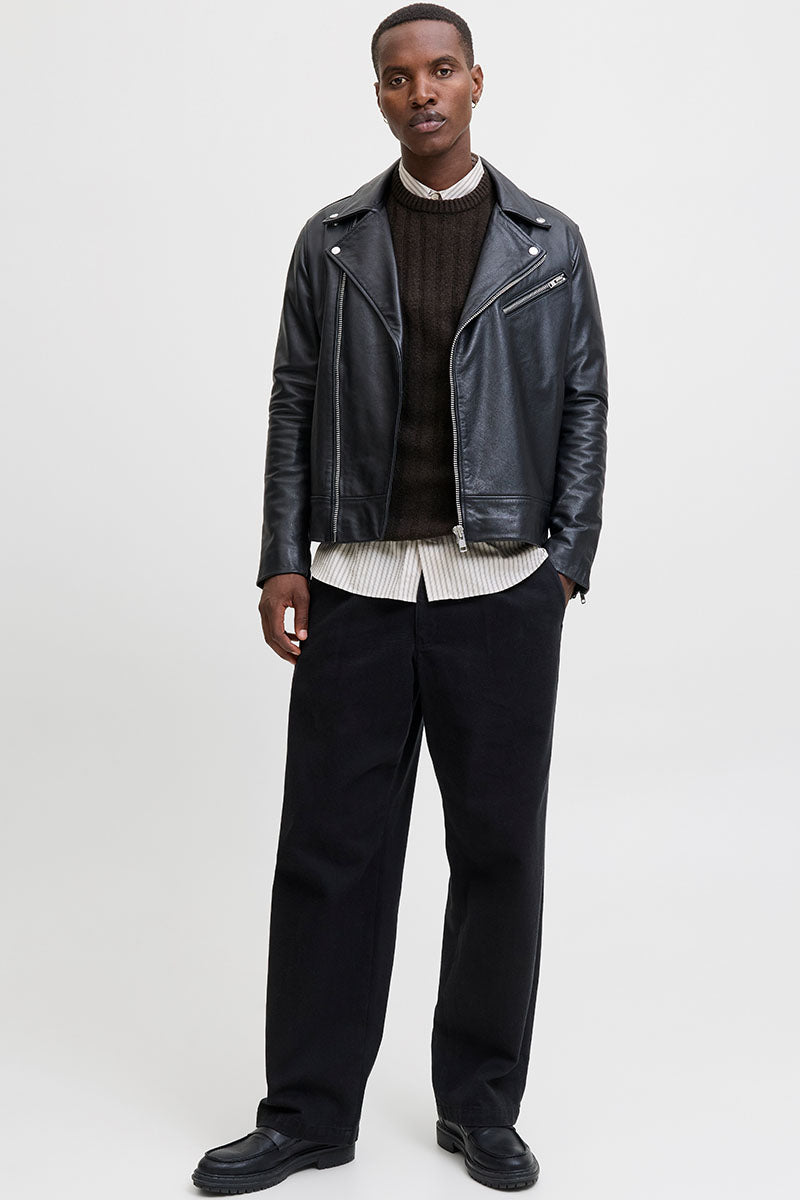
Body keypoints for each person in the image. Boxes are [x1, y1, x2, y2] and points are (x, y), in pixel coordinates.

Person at [192, 2, 608, 1193]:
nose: (419, 92)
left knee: (496, 855)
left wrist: (564, 557)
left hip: (500, 586)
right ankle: (306, 1113)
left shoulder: (547, 243)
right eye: (395, 76)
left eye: (439, 70)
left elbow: (584, 398)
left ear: (474, 81)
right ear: (376, 93)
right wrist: (281, 554)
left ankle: (478, 1107)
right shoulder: (330, 242)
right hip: (357, 581)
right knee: (329, 854)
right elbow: (292, 396)